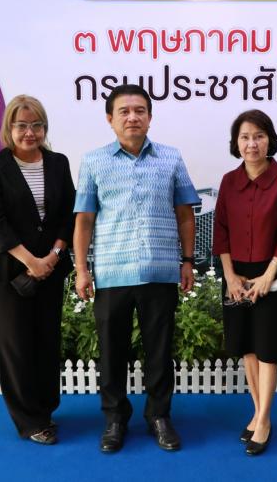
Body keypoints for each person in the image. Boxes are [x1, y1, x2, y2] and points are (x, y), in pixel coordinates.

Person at [73, 84, 200, 453]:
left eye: (140, 110)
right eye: (124, 111)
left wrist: (187, 261)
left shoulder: (171, 158)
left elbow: (185, 215)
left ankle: (159, 416)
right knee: (111, 352)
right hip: (112, 273)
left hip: (160, 272)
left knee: (159, 352)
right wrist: (81, 270)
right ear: (110, 119)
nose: (132, 117)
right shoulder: (93, 161)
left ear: (150, 116)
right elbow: (84, 220)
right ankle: (115, 419)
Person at [0, 95, 75, 445]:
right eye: (21, 125)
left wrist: (53, 256)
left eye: (36, 125)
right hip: (10, 273)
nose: (29, 132)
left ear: (44, 128)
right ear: (10, 128)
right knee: (17, 346)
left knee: (47, 342)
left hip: (51, 269)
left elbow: (68, 214)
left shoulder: (58, 163)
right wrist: (31, 261)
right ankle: (29, 421)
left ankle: (46, 410)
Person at [212, 109, 277, 456]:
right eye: (245, 137)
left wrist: (269, 274)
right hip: (236, 274)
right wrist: (230, 276)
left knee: (267, 348)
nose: (252, 144)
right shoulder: (228, 182)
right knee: (247, 346)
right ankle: (257, 411)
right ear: (236, 143)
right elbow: (220, 231)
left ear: (270, 141)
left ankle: (263, 421)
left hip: (272, 274)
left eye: (259, 136)